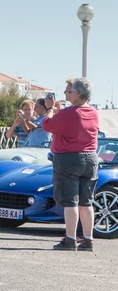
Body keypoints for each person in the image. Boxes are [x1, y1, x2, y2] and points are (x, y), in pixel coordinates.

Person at [42, 78, 99, 251]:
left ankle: (70, 239)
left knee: (70, 202)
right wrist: (60, 112)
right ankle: (88, 240)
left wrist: (50, 109)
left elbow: (47, 125)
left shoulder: (69, 113)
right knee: (86, 202)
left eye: (68, 90)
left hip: (68, 159)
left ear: (78, 93)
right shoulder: (94, 112)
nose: (65, 93)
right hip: (90, 158)